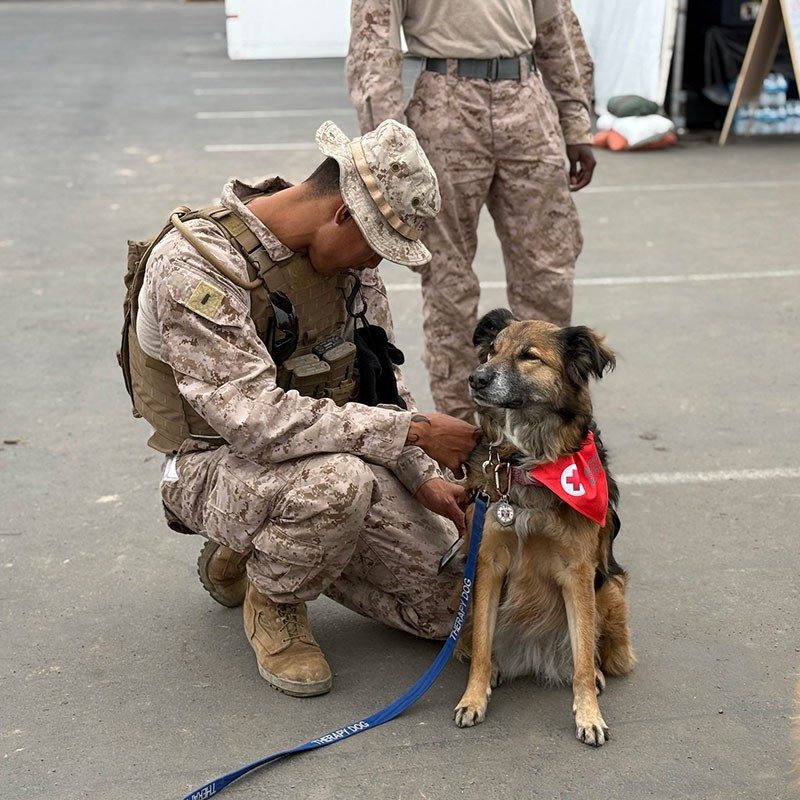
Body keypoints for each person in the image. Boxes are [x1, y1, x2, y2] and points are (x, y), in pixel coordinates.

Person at [125, 119, 479, 697]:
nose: (375, 266)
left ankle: (271, 547)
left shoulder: (350, 272)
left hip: (328, 451)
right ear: (343, 214)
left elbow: (378, 384)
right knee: (336, 488)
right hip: (211, 461)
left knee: (455, 606)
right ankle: (276, 601)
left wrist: (422, 479)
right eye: (377, 248)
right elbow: (254, 421)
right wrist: (411, 433)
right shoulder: (197, 266)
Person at [347, 0, 597, 421]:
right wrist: (389, 152)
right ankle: (462, 429)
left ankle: (544, 417)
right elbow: (374, 49)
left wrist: (576, 120)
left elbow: (558, 27)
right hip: (446, 105)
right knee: (448, 280)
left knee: (548, 271)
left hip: (527, 101)